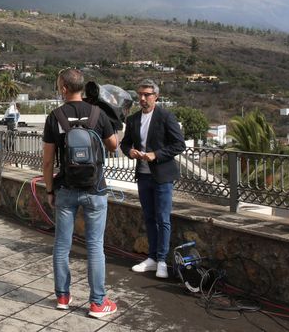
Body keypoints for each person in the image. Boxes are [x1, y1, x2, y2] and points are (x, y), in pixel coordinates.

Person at [42, 68, 119, 318]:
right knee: (95, 246)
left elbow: (47, 161)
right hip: (95, 189)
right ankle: (97, 303)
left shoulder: (55, 117)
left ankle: (63, 297)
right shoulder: (97, 113)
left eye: (58, 85)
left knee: (61, 245)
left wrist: (50, 190)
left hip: (66, 189)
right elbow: (113, 145)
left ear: (64, 88)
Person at [120, 79, 186, 279]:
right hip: (143, 176)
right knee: (149, 217)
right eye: (140, 94)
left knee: (163, 219)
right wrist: (130, 151)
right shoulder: (133, 119)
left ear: (156, 96)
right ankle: (152, 258)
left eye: (147, 94)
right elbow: (125, 144)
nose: (142, 98)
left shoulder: (165, 116)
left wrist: (155, 155)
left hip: (162, 176)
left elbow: (179, 144)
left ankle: (162, 261)